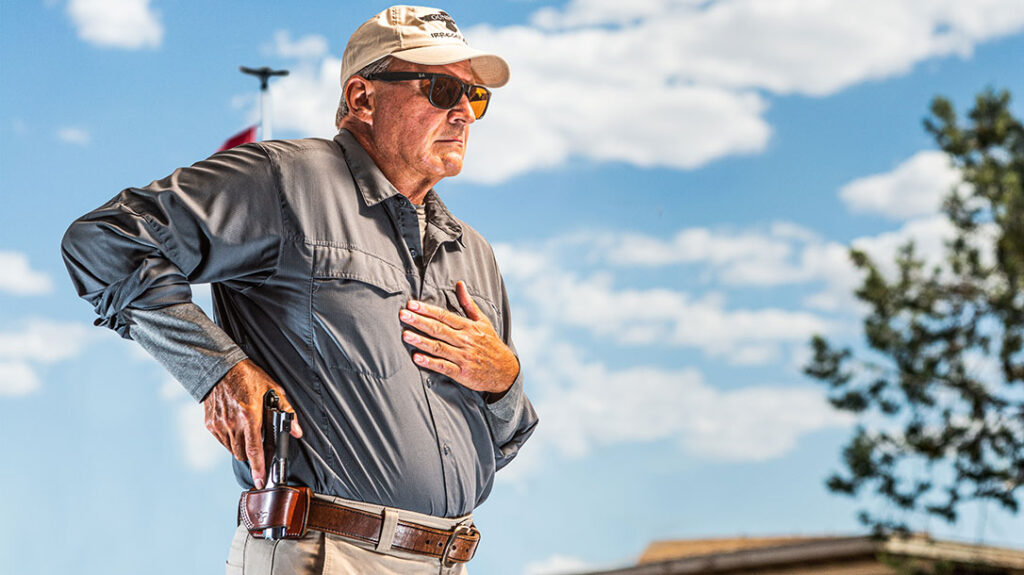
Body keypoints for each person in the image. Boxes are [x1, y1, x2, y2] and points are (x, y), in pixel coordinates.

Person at [60, 6, 538, 574]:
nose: (464, 113)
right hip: (325, 554)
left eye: (475, 96)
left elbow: (502, 443)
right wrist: (216, 370)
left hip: (450, 560)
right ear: (362, 98)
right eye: (440, 89)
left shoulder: (474, 255)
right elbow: (104, 240)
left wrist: (504, 379)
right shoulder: (282, 180)